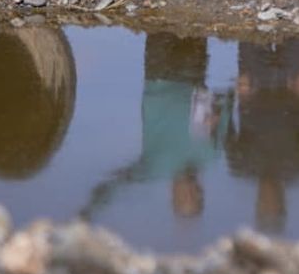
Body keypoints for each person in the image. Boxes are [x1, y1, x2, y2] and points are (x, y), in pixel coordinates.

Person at [83, 33, 231, 222]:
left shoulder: (153, 168)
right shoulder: (211, 156)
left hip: (158, 72)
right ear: (201, 191)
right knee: (196, 24)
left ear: (172, 194)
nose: (189, 192)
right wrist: (218, 110)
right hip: (193, 72)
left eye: (184, 198)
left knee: (160, 23)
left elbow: (116, 185)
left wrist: (88, 212)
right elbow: (228, 100)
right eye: (193, 196)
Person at [225, 38, 299, 233]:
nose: (269, 198)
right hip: (291, 85)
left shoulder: (241, 166)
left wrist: (234, 91)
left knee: (252, 32)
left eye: (267, 203)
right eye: (272, 203)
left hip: (255, 83)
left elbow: (225, 128)